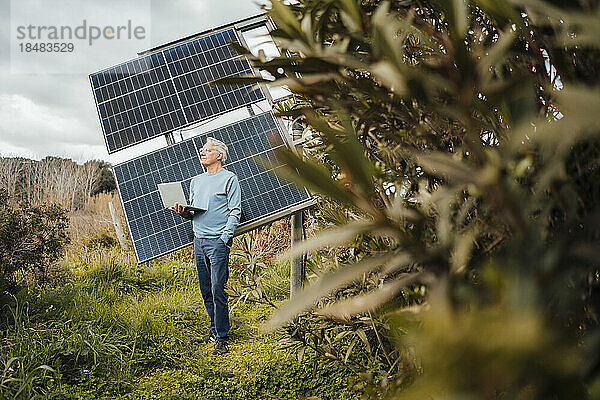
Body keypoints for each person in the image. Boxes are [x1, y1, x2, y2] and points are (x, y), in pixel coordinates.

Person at [170, 137, 241, 355]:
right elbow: (193, 213)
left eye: (207, 150)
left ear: (219, 155)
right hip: (198, 242)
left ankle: (222, 337)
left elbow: (235, 210)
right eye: (202, 150)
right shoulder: (196, 181)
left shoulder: (230, 178)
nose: (202, 153)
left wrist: (225, 237)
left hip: (217, 243)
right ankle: (213, 330)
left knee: (218, 288)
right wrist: (183, 212)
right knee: (206, 290)